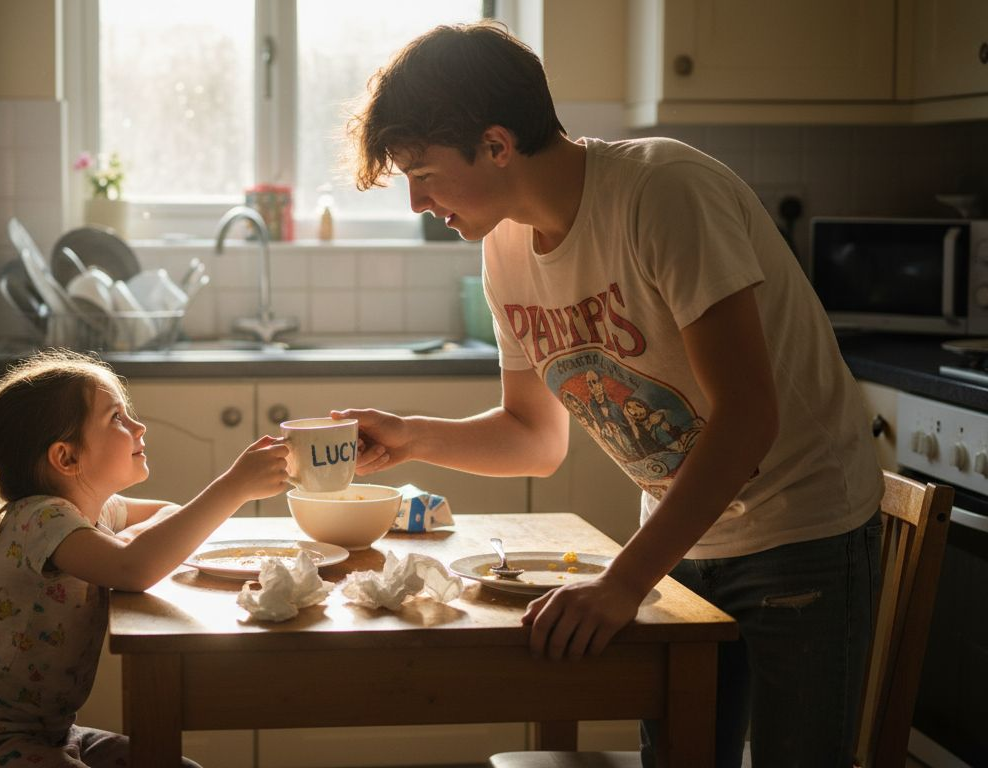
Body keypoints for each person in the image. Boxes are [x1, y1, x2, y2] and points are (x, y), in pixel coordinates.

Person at [339, 22, 882, 768]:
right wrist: (412, 435)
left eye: (423, 172)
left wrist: (622, 581)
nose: (415, 202)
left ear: (497, 144)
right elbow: (535, 437)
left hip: (802, 533)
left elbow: (749, 418)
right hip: (682, 534)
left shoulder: (662, 192)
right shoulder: (504, 249)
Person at [0, 350, 290, 767]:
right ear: (67, 457)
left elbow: (167, 513)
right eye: (116, 417)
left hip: (53, 735)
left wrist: (120, 544)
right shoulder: (41, 517)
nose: (138, 426)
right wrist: (234, 486)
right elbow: (134, 570)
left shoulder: (93, 510)